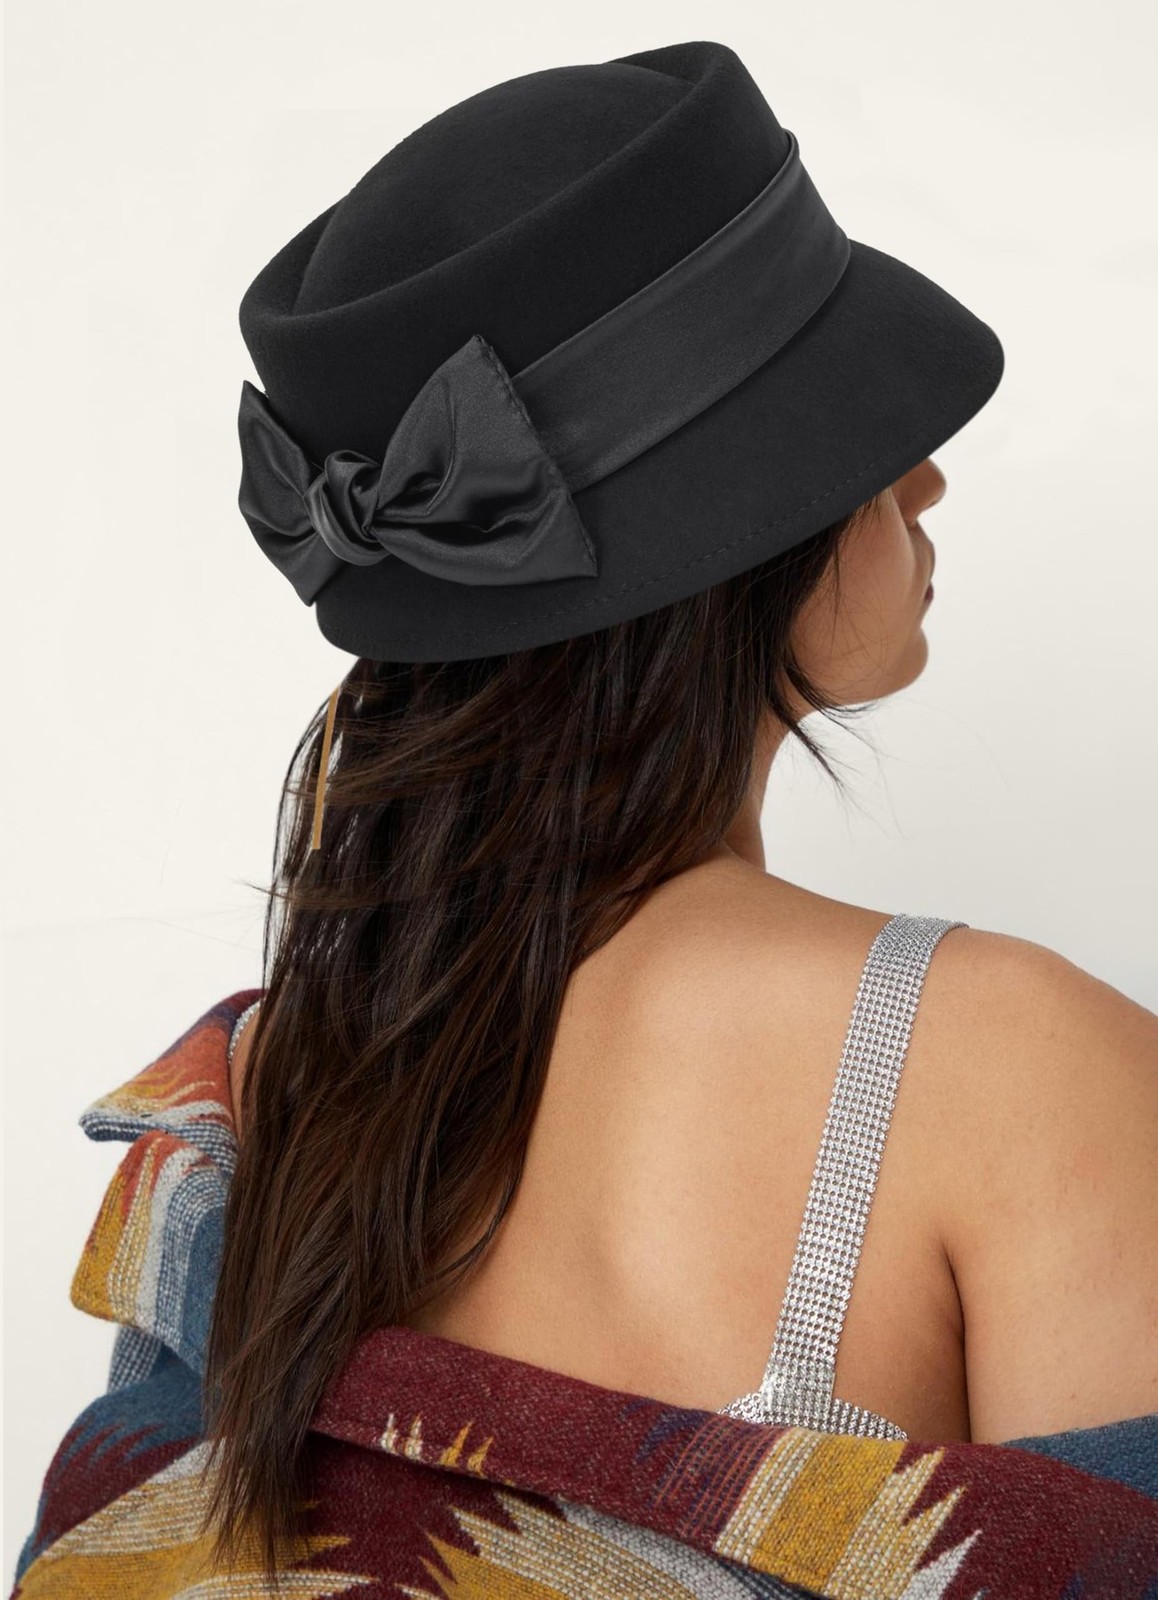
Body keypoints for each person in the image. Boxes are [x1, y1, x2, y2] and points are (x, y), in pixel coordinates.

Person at [12, 36, 1157, 1600]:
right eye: (848, 433)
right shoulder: (1018, 1068)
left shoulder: (251, 1098)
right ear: (725, 539)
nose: (927, 482)